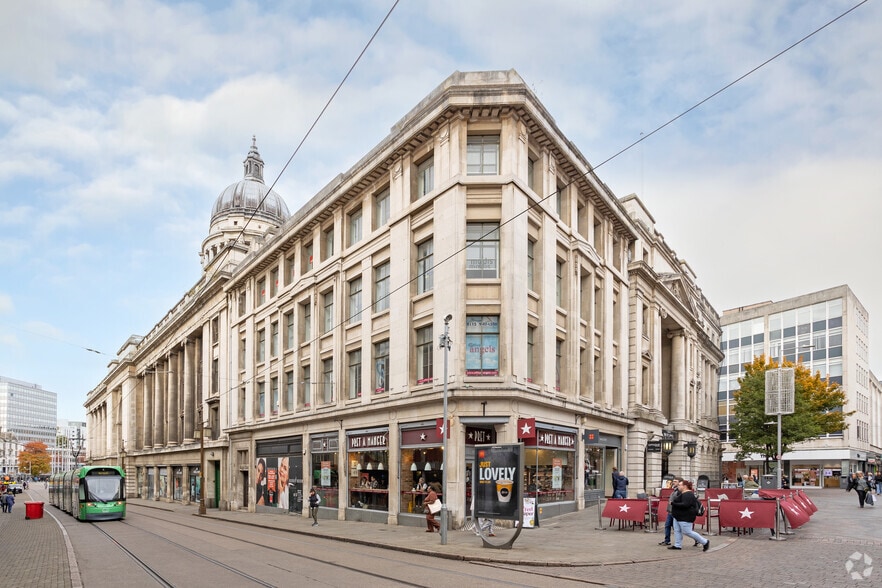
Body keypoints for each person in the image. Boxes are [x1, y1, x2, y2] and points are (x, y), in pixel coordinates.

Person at [669, 480, 709, 552]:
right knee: (677, 530)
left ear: (684, 486)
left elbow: (685, 505)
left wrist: (673, 504)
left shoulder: (688, 494)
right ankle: (677, 545)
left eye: (679, 485)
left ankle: (705, 541)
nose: (678, 486)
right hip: (678, 516)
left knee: (687, 531)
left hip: (685, 517)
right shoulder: (683, 493)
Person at [658, 476, 682, 546]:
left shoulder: (680, 491)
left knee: (681, 529)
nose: (673, 482)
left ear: (679, 483)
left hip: (675, 511)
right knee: (667, 525)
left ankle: (696, 540)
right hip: (670, 511)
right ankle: (667, 540)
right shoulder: (674, 489)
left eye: (675, 481)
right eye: (673, 481)